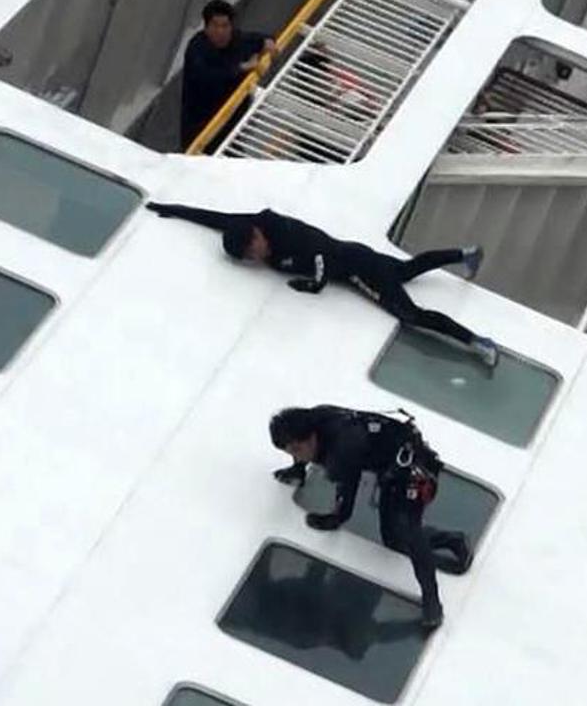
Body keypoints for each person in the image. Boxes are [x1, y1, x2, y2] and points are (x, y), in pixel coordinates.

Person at [145, 201, 500, 367]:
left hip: (355, 269)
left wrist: (314, 286)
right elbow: (213, 216)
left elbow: (319, 255)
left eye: (252, 252)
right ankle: (464, 254)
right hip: (355, 254)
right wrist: (171, 210)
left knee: (410, 315)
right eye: (248, 259)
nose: (255, 259)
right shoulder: (246, 226)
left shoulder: (283, 235)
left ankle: (477, 342)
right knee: (406, 270)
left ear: (257, 236)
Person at [270, 405, 472, 629]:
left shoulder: (342, 449)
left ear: (311, 437)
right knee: (391, 538)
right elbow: (304, 449)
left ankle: (432, 598)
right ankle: (451, 540)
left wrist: (334, 519)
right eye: (290, 452)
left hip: (412, 470)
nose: (295, 455)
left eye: (297, 450)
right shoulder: (314, 420)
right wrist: (297, 470)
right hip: (388, 462)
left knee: (406, 534)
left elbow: (347, 495)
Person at [180, 0, 276, 150]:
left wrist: (268, 42)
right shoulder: (197, 48)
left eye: (225, 26)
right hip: (200, 129)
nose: (220, 32)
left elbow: (262, 39)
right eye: (215, 26)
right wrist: (242, 68)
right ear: (206, 27)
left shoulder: (238, 40)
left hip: (232, 128)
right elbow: (206, 76)